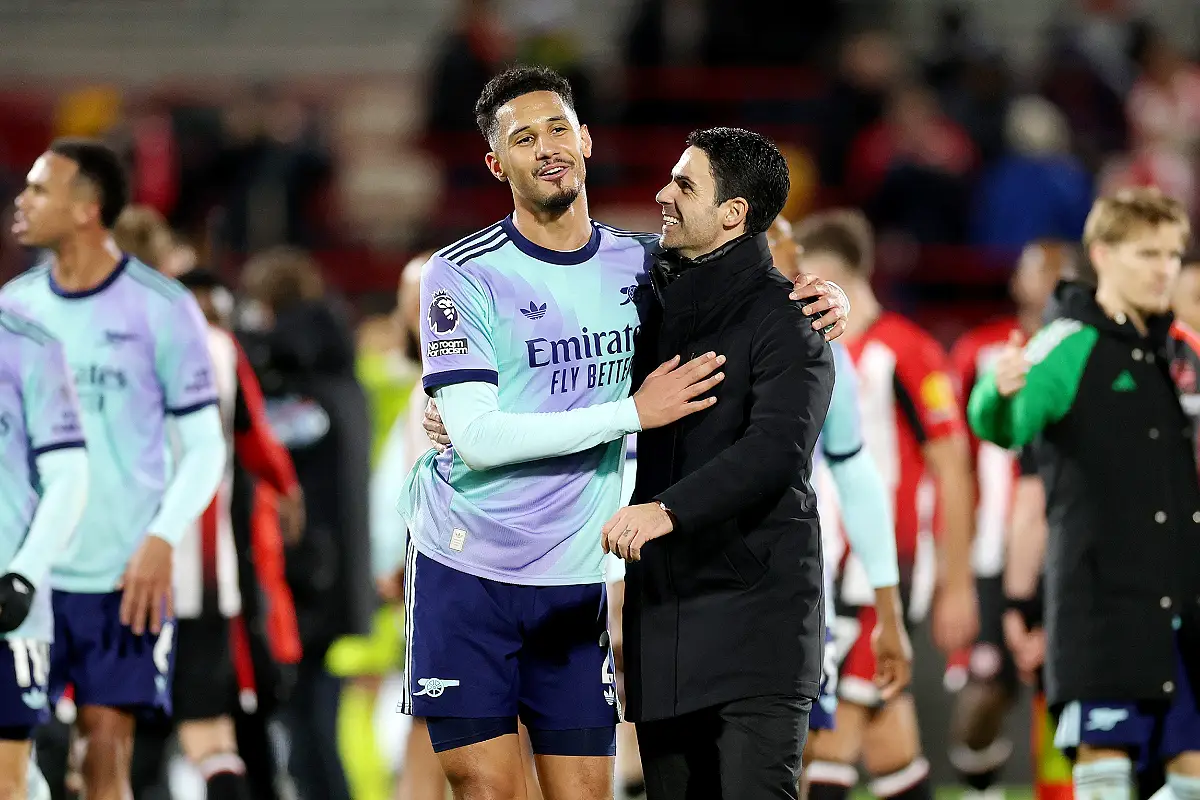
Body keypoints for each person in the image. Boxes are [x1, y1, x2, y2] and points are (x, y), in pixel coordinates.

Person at [399, 66, 848, 800]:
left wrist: (824, 299)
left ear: (584, 138)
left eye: (556, 128)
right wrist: (630, 414)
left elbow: (744, 288)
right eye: (522, 137)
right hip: (469, 567)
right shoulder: (460, 273)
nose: (545, 147)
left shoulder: (644, 265)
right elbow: (475, 438)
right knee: (490, 791)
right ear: (494, 163)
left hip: (576, 577)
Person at [3, 138, 227, 800]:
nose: (22, 198)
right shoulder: (15, 308)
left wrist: (162, 538)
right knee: (12, 764)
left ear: (85, 208)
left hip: (120, 576)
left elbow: (205, 446)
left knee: (104, 755)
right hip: (27, 577)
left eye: (40, 189)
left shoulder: (161, 308)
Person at [969, 188, 1200, 800]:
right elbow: (1000, 423)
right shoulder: (1067, 343)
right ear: (1102, 254)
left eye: (1173, 254)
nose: (1164, 268)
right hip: (1101, 607)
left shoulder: (1185, 350)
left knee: (1191, 778)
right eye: (1147, 253)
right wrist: (998, 393)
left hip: (1183, 603)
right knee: (1106, 776)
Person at [792, 209, 979, 800]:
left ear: (833, 273)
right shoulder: (812, 352)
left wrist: (956, 581)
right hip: (828, 563)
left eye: (805, 275)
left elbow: (953, 469)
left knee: (829, 733)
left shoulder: (907, 352)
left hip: (881, 567)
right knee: (886, 740)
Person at [767, 216, 912, 768]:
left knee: (787, 757)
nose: (794, 261)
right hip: (700, 593)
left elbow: (855, 476)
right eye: (783, 247)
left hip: (797, 591)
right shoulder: (679, 336)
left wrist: (888, 606)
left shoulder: (826, 352)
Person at [944, 239, 1072, 799]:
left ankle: (1063, 787)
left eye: (1057, 272)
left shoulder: (1077, 350)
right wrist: (953, 561)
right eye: (1034, 269)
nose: (1044, 280)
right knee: (988, 685)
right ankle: (980, 786)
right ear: (1016, 280)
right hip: (995, 544)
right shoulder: (980, 350)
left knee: (1065, 683)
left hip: (1066, 541)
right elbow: (951, 454)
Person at [0, 301, 89, 800]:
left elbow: (70, 475)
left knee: (6, 784)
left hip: (7, 609)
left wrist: (24, 576)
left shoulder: (29, 347)